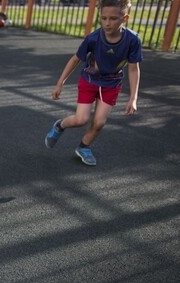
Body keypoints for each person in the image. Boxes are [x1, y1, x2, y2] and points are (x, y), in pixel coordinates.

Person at [44, 0, 142, 166]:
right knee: (81, 119)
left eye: (113, 18)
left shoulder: (132, 40)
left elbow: (133, 69)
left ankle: (84, 147)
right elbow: (75, 59)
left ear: (124, 18)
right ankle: (60, 125)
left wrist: (133, 98)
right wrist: (60, 83)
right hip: (89, 80)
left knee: (99, 123)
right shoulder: (94, 38)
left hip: (111, 84)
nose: (107, 23)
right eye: (103, 18)